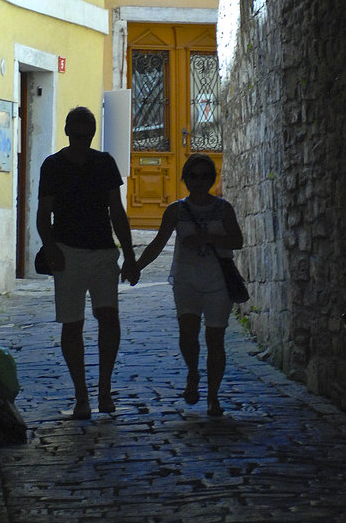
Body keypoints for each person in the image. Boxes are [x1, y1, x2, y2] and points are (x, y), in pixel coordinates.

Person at [36, 106, 136, 419]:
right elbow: (43, 214)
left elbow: (116, 212)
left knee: (109, 317)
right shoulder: (52, 166)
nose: (81, 140)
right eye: (77, 135)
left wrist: (130, 254)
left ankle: (104, 389)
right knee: (72, 323)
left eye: (86, 135)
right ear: (67, 132)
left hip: (103, 251)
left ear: (92, 134)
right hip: (68, 252)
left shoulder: (104, 163)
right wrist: (50, 247)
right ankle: (82, 395)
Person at [128, 154, 243, 418]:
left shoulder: (224, 209)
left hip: (218, 282)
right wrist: (137, 266)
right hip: (186, 281)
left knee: (216, 340)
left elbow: (237, 240)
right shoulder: (176, 211)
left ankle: (213, 396)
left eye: (205, 176)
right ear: (186, 179)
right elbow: (158, 243)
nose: (199, 181)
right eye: (194, 176)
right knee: (188, 334)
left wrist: (207, 237)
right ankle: (193, 371)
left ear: (212, 179)